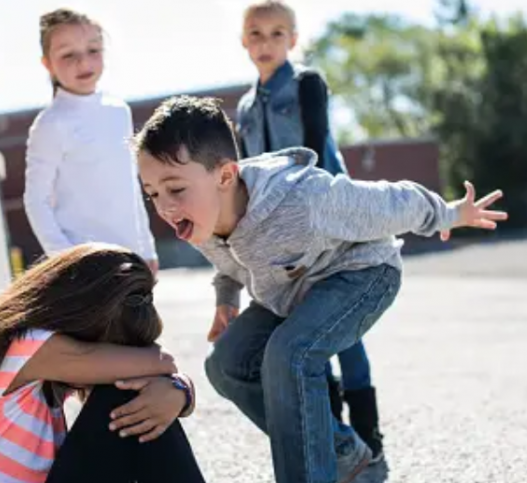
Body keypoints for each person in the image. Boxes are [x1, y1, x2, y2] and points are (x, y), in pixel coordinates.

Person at [134, 96, 507, 483]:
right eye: (152, 193)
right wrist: (225, 301)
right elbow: (228, 262)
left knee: (289, 354)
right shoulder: (199, 214)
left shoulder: (303, 199)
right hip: (291, 292)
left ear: (225, 176)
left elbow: (391, 201)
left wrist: (447, 214)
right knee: (226, 364)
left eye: (174, 189)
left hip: (361, 274)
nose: (164, 206)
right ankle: (342, 452)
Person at [0, 243, 207, 483]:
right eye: (109, 348)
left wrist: (179, 391)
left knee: (137, 399)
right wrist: (178, 389)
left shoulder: (26, 348)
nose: (110, 358)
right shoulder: (23, 344)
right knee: (124, 393)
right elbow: (162, 362)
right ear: (83, 318)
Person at [235, 0, 381, 458]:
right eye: (256, 34)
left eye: (277, 33)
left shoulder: (306, 84)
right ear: (244, 41)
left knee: (345, 334)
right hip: (279, 237)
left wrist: (335, 222)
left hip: (328, 223)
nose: (266, 42)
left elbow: (318, 150)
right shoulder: (243, 107)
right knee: (306, 333)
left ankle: (369, 437)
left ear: (293, 40)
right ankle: (339, 442)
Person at [24, 8, 157, 275]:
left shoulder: (119, 111)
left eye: (93, 50)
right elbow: (35, 201)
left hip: (131, 258)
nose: (83, 62)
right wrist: (67, 259)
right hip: (85, 267)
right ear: (47, 64)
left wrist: (148, 249)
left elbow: (130, 187)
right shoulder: (50, 124)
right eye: (68, 54)